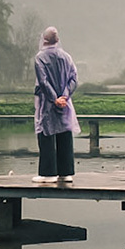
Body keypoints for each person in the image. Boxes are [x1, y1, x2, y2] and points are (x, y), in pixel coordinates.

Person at [32, 26, 79, 184]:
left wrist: (54, 99)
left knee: (46, 134)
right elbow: (74, 79)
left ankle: (48, 173)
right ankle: (66, 173)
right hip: (65, 103)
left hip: (47, 103)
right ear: (57, 40)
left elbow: (43, 82)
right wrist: (64, 96)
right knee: (65, 134)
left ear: (44, 40)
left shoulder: (40, 58)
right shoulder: (66, 57)